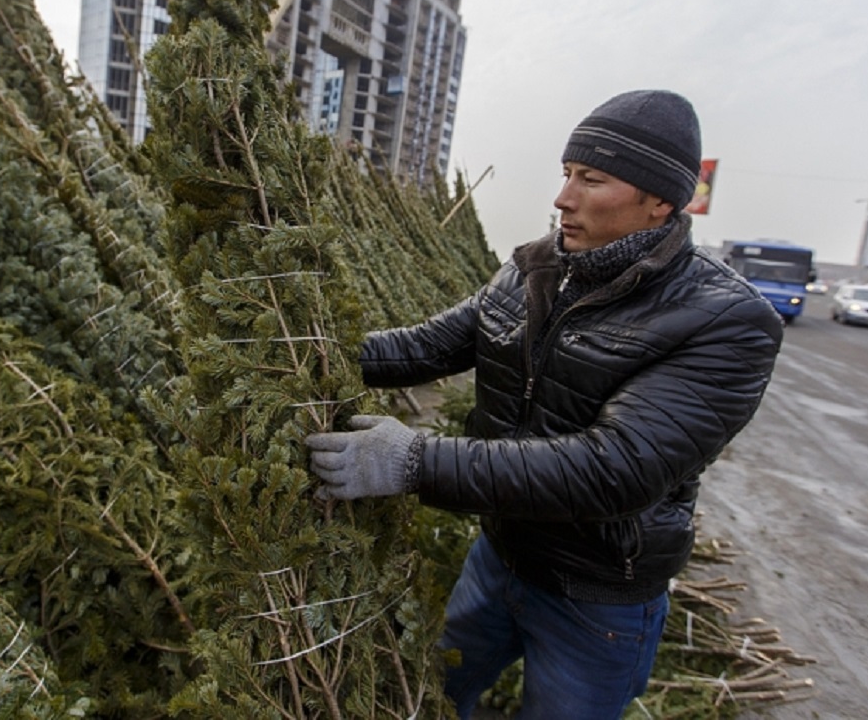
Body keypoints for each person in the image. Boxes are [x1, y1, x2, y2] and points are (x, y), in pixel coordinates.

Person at [306, 89, 784, 719]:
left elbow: (616, 468)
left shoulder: (724, 320)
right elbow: (427, 347)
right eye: (566, 174)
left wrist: (415, 460)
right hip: (499, 559)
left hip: (597, 598)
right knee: (432, 696)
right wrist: (309, 351)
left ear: (659, 200)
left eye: (592, 179)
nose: (563, 197)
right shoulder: (535, 269)